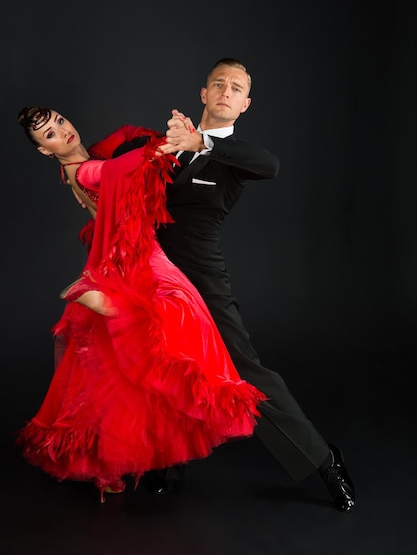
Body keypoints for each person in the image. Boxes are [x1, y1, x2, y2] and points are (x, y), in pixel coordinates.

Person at [106, 57, 356, 513]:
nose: (225, 91)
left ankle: (324, 459)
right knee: (161, 368)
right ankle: (167, 463)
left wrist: (201, 141)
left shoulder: (234, 156)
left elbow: (271, 164)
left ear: (244, 104)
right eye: (217, 83)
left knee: (245, 372)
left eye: (235, 88)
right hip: (153, 277)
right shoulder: (166, 144)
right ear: (203, 94)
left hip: (201, 278)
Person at [15, 106, 268, 503]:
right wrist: (172, 143)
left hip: (135, 250)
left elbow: (129, 133)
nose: (61, 132)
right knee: (182, 319)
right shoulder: (79, 171)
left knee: (116, 370)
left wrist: (164, 133)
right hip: (133, 258)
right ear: (45, 152)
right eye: (49, 135)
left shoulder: (97, 152)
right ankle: (100, 298)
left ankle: (108, 460)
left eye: (60, 121)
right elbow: (115, 173)